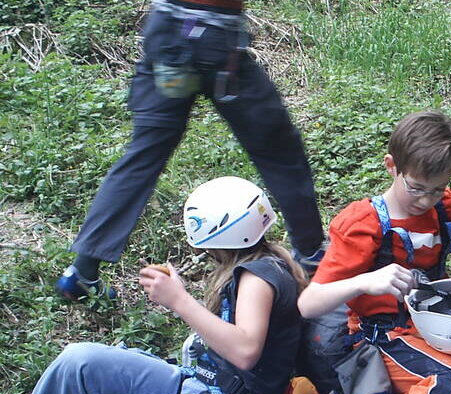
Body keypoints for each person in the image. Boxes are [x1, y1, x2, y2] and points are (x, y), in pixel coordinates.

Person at [55, 0, 325, 301]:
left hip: (167, 36)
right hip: (217, 42)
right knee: (281, 152)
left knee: (143, 157)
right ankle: (312, 255)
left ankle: (82, 271)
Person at [297, 111, 451, 394]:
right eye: (416, 188)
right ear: (392, 166)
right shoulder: (364, 224)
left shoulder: (448, 209)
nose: (426, 200)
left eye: (437, 189)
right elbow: (308, 304)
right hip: (381, 336)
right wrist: (364, 282)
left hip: (440, 325)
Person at [31, 176, 308, 394]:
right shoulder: (260, 267)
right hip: (198, 383)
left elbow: (245, 352)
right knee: (80, 361)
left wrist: (179, 300)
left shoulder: (258, 279)